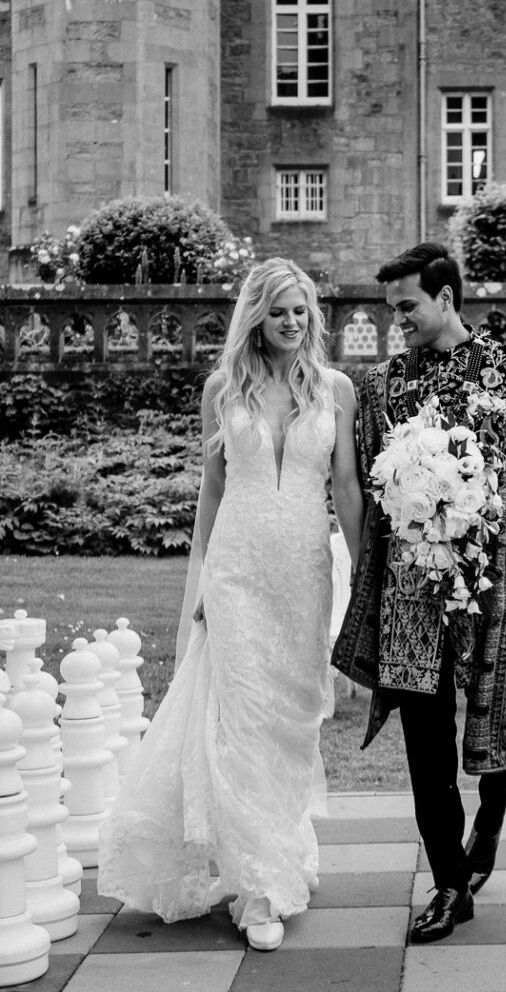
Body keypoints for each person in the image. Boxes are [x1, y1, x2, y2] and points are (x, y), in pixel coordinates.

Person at [98, 258, 365, 953]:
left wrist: (365, 576)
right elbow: (211, 491)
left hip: (305, 572)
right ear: (256, 316)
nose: (292, 322)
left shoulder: (336, 390)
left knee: (291, 724)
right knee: (240, 722)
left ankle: (277, 846)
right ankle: (256, 888)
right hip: (238, 569)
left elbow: (345, 490)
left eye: (301, 310)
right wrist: (199, 583)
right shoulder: (224, 388)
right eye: (278, 310)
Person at [333, 242, 506, 943]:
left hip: (496, 574)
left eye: (406, 307)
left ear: (445, 298)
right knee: (422, 730)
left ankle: (490, 829)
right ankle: (447, 882)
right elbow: (376, 480)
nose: (396, 320)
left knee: (504, 705)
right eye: (391, 309)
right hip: (412, 585)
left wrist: (488, 501)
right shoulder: (381, 385)